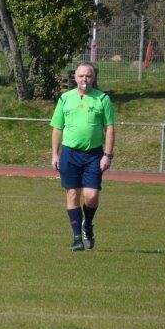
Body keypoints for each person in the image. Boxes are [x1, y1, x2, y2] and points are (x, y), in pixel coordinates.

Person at [50, 62, 115, 251]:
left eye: (88, 76)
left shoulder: (102, 99)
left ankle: (88, 225)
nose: (84, 79)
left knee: (91, 195)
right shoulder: (65, 99)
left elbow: (109, 128)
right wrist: (55, 154)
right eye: (81, 76)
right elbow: (57, 128)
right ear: (75, 78)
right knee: (72, 193)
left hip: (93, 154)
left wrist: (107, 155)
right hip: (69, 153)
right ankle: (77, 237)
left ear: (93, 78)